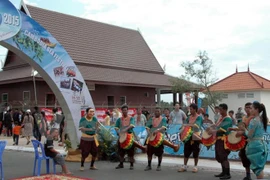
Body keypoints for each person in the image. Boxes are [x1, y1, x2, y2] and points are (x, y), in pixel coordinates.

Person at [237, 101, 268, 179]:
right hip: (261, 144)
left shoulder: (254, 121)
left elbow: (249, 135)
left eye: (252, 108)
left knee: (258, 169)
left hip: (255, 145)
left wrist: (244, 129)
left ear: (256, 109)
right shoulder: (261, 119)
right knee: (260, 168)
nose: (250, 110)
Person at [229, 102, 253, 180]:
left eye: (249, 107)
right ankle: (248, 175)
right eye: (246, 107)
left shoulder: (254, 118)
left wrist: (243, 132)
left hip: (253, 141)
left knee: (254, 158)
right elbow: (241, 128)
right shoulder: (243, 118)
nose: (248, 109)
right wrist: (234, 129)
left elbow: (252, 132)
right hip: (244, 140)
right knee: (244, 157)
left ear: (252, 108)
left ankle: (259, 175)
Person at [208, 104, 232, 179]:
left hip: (223, 139)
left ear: (225, 110)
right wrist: (211, 126)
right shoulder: (221, 118)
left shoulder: (228, 119)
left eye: (221, 110)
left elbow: (222, 129)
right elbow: (217, 125)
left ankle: (227, 173)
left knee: (224, 156)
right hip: (219, 139)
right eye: (219, 109)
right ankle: (223, 172)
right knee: (219, 156)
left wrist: (212, 131)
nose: (219, 111)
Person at [178, 103, 203, 173]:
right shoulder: (189, 117)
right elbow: (184, 125)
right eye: (190, 109)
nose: (190, 110)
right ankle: (184, 166)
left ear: (195, 109)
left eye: (191, 109)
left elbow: (196, 125)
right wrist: (181, 130)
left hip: (195, 136)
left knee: (196, 152)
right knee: (186, 151)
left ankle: (195, 166)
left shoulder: (199, 117)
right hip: (188, 136)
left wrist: (186, 125)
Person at [144, 107, 167, 171]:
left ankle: (159, 165)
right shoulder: (151, 119)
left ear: (160, 112)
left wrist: (157, 130)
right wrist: (149, 133)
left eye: (158, 111)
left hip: (159, 138)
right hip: (151, 138)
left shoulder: (163, 119)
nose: (157, 112)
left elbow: (164, 127)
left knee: (160, 152)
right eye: (156, 111)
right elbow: (147, 127)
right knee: (149, 152)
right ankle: (149, 165)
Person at [115, 104, 136, 170]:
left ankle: (131, 164)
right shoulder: (119, 120)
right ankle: (121, 164)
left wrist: (125, 129)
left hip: (129, 137)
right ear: (121, 111)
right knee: (121, 151)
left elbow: (132, 125)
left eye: (126, 110)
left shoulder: (131, 118)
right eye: (123, 110)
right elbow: (116, 127)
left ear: (127, 111)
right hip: (121, 137)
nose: (125, 111)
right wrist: (118, 132)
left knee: (131, 152)